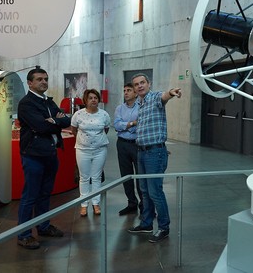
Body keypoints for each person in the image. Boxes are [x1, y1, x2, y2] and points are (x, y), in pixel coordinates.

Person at [17, 68, 71, 250]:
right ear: (30, 83)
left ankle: (43, 226)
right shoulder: (26, 104)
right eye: (39, 79)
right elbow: (41, 127)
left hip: (50, 154)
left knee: (45, 194)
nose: (44, 82)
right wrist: (54, 121)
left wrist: (54, 121)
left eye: (46, 79)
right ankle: (24, 234)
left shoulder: (49, 102)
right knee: (30, 196)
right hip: (33, 155)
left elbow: (66, 121)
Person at [127, 73, 181, 243]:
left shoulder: (155, 97)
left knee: (155, 192)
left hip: (154, 153)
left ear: (149, 84)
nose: (140, 86)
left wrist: (171, 92)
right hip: (141, 152)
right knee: (144, 190)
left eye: (142, 83)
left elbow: (165, 96)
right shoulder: (140, 104)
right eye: (136, 84)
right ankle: (147, 223)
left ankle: (164, 227)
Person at [71, 89, 111, 217]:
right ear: (85, 101)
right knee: (84, 177)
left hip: (100, 150)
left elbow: (106, 129)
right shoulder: (78, 115)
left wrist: (97, 140)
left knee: (96, 177)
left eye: (95, 98)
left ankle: (95, 203)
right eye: (90, 98)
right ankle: (83, 204)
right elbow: (74, 129)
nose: (93, 100)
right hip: (82, 150)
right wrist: (84, 141)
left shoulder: (104, 114)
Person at [114, 83, 143, 216]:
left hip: (137, 144)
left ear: (135, 93)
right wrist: (132, 124)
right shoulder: (119, 108)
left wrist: (125, 126)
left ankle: (144, 205)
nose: (126, 93)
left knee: (140, 176)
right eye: (124, 90)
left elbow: (141, 125)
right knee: (126, 175)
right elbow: (116, 125)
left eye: (129, 90)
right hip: (122, 144)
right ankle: (132, 203)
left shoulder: (142, 107)